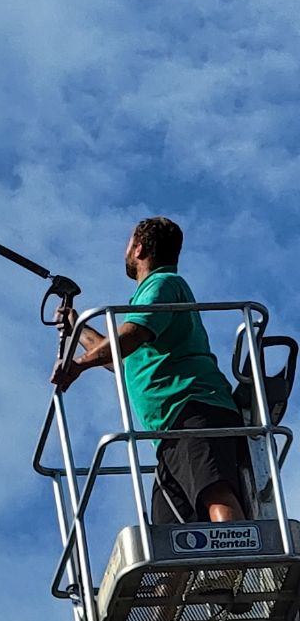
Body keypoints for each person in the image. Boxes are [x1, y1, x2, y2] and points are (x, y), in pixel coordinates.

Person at [51, 216, 246, 525]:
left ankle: (241, 557)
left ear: (139, 248)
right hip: (169, 429)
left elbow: (131, 335)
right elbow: (121, 359)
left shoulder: (162, 283)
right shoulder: (150, 299)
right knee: (169, 532)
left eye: (128, 243)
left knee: (214, 491)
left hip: (193, 409)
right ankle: (210, 570)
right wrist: (79, 329)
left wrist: (78, 365)